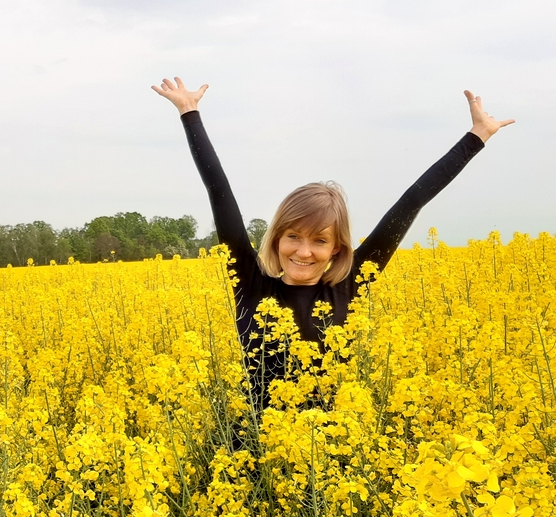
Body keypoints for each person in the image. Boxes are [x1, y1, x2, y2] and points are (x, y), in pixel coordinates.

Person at [153, 77, 514, 408]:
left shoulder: (350, 285)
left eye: (319, 241)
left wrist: (476, 137)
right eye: (293, 236)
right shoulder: (249, 284)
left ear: (337, 248)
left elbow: (411, 201)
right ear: (277, 239)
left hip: (332, 451)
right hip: (254, 452)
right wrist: (190, 112)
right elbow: (220, 192)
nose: (304, 251)